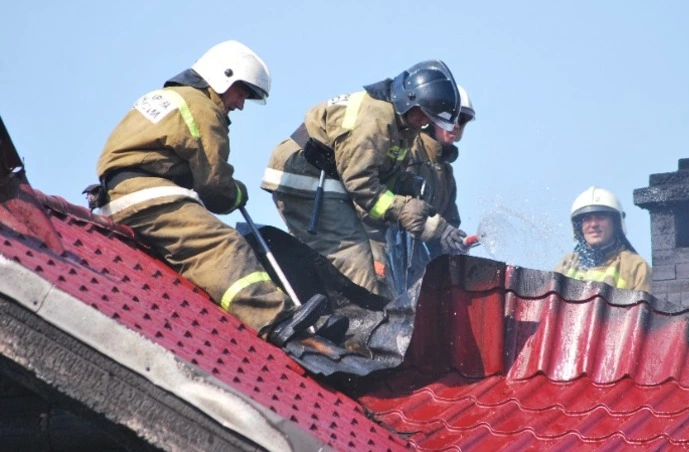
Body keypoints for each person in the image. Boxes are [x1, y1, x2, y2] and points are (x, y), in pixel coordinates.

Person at [93, 40, 327, 346]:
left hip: (122, 193)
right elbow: (214, 186)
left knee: (193, 253)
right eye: (241, 92)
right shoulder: (202, 108)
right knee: (224, 245)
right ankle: (278, 320)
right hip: (148, 193)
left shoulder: (168, 97)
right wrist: (237, 194)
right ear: (223, 76)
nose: (240, 104)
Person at [261, 60, 470, 299]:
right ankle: (358, 329)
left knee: (352, 258)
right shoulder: (377, 119)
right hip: (307, 176)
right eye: (425, 116)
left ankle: (337, 312)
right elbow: (361, 183)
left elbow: (381, 171)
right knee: (355, 259)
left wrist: (408, 185)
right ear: (412, 100)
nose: (425, 124)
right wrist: (412, 215)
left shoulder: (400, 121)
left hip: (328, 178)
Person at [384, 85, 476, 294]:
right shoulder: (410, 150)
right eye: (450, 117)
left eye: (462, 120)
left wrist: (457, 242)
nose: (456, 125)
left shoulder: (445, 173)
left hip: (416, 271)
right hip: (388, 254)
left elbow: (449, 223)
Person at [554, 186, 652, 292]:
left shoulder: (635, 267)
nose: (594, 224)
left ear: (615, 223)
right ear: (579, 226)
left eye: (601, 217)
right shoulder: (567, 264)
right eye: (586, 219)